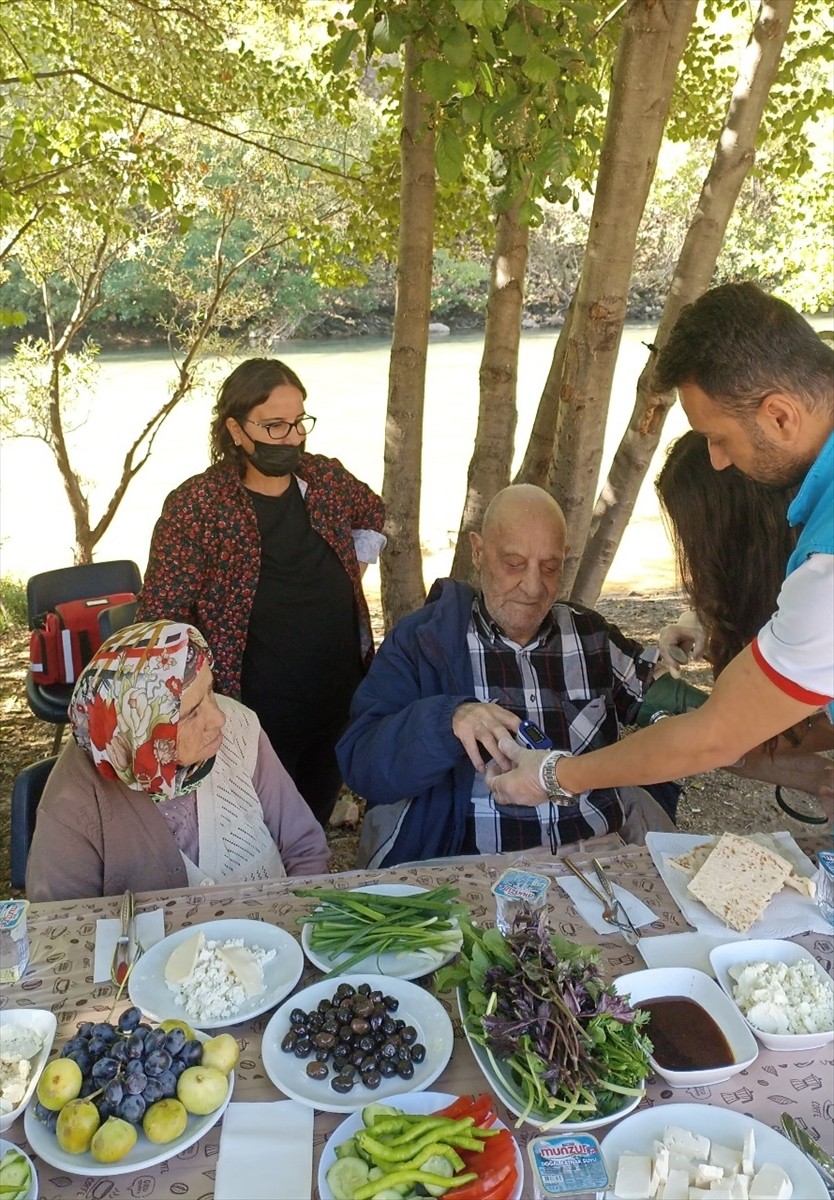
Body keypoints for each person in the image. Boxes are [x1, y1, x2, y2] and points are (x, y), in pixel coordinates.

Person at [486, 284, 834, 817]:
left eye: (718, 437)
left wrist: (556, 774)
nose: (717, 460)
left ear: (780, 416)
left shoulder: (826, 571)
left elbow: (715, 734)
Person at [336, 484, 675, 869]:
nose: (533, 587)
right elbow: (362, 764)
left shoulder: (591, 636)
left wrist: (688, 647)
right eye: (513, 564)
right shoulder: (425, 642)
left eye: (550, 567)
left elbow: (675, 708)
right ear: (478, 551)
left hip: (598, 858)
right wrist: (446, 719)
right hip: (479, 868)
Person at [136, 358, 386, 828]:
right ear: (235, 429)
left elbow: (371, 510)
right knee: (255, 833)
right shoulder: (198, 506)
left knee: (309, 822)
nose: (291, 437)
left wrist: (353, 570)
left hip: (337, 698)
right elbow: (160, 618)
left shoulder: (326, 479)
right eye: (274, 426)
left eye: (298, 423)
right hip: (249, 713)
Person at [26, 620, 330, 901]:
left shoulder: (240, 727)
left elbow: (304, 847)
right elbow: (66, 928)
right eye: (190, 713)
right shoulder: (72, 803)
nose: (219, 718)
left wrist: (294, 929)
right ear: (138, 735)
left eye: (211, 690)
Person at [654, 431, 833, 808]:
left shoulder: (821, 585)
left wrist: (557, 775)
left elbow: (724, 738)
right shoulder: (807, 554)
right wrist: (701, 617)